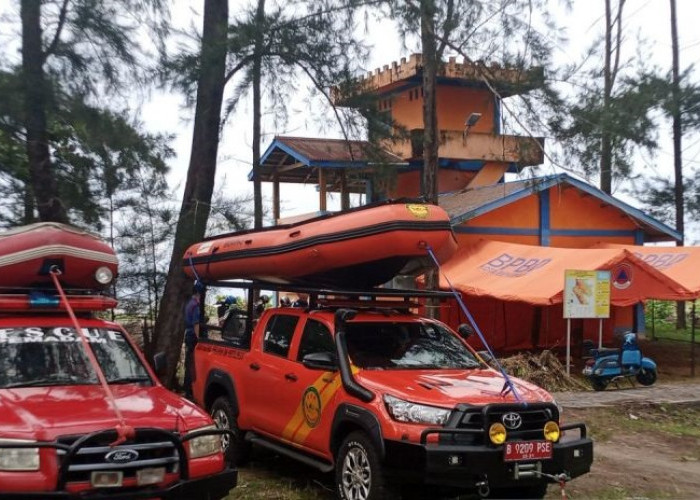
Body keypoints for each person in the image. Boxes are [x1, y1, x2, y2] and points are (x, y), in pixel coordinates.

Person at [183, 285, 201, 400]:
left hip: (188, 335)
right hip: (193, 336)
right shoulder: (196, 305)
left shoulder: (189, 303)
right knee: (192, 364)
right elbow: (196, 324)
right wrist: (200, 340)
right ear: (199, 293)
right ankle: (190, 392)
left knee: (188, 362)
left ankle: (187, 389)